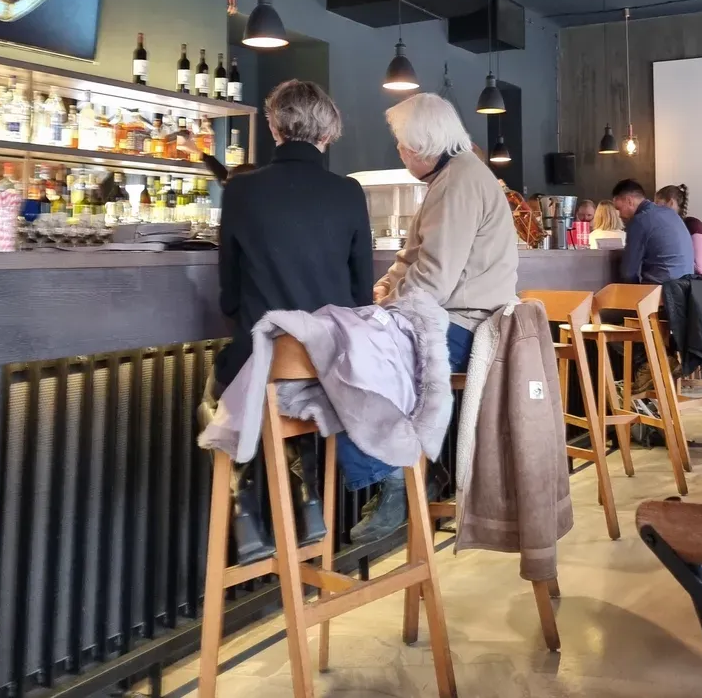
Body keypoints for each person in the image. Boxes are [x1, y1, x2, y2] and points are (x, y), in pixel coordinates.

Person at [214, 79, 373, 552]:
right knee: (295, 388)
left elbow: (229, 295)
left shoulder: (241, 191)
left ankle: (243, 509)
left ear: (273, 126)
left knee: (222, 391)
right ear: (328, 133)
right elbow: (361, 296)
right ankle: (308, 498)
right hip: (329, 367)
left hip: (263, 359)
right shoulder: (348, 193)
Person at [359, 93, 518, 541]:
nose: (399, 150)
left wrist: (384, 310)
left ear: (421, 146)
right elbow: (414, 259)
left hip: (464, 325)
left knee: (365, 362)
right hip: (460, 319)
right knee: (364, 350)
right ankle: (421, 472)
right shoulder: (455, 176)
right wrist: (385, 289)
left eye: (401, 143)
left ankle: (398, 483)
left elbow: (435, 279)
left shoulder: (457, 182)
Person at [612, 179, 694, 284]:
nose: (619, 215)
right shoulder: (671, 214)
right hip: (687, 287)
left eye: (619, 208)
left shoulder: (639, 221)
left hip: (664, 288)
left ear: (629, 201)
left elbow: (628, 272)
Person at [655, 183, 702, 278]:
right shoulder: (669, 228)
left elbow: (699, 268)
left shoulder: (694, 225)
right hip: (681, 281)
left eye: (658, 203)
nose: (655, 209)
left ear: (671, 203)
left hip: (699, 283)